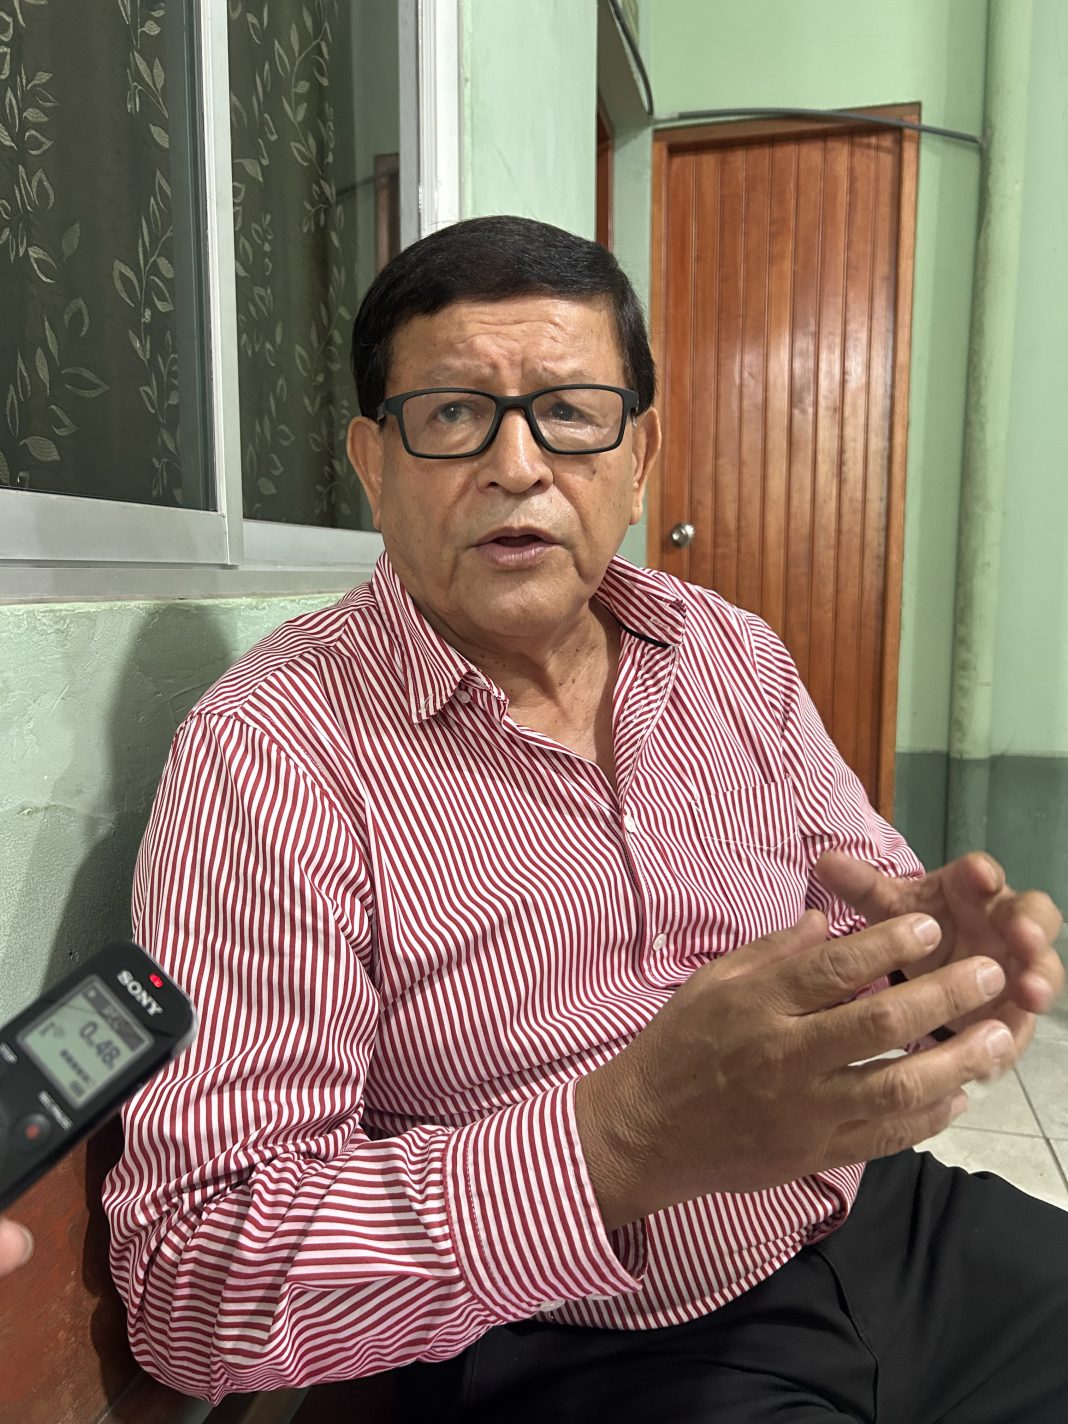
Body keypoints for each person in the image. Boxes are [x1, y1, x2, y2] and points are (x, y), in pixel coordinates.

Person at [104, 216, 1065, 1422]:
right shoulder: (270, 755)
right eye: (452, 413)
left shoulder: (728, 652)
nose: (517, 464)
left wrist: (931, 958)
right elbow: (194, 1277)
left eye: (568, 411)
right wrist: (619, 1137)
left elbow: (864, 902)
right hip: (570, 1344)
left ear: (639, 453)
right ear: (373, 462)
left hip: (874, 1221)